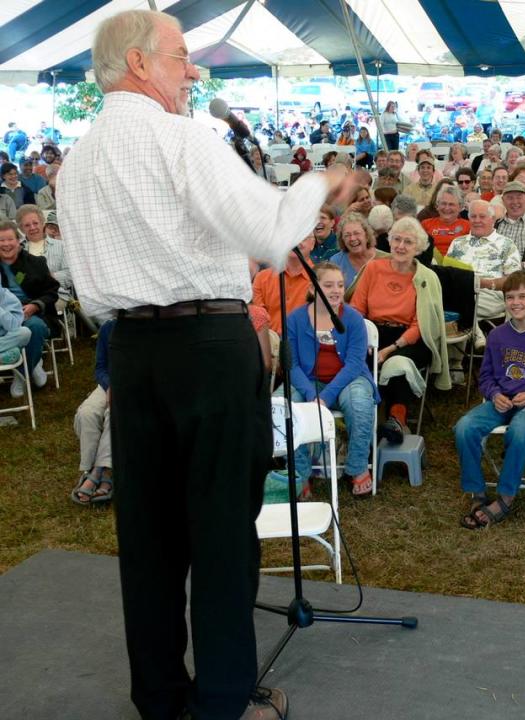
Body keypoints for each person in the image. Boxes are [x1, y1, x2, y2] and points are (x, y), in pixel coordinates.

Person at [56, 10, 355, 719]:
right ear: (137, 63)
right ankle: (224, 703)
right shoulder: (181, 137)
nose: (192, 70)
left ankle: (161, 699)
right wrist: (320, 184)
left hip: (130, 353)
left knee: (149, 538)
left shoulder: (79, 160)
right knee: (222, 533)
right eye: (182, 55)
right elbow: (273, 230)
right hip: (209, 347)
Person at [455, 271, 525, 529]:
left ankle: (506, 496)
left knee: (519, 429)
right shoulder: (497, 336)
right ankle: (477, 493)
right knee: (465, 427)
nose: (516, 302)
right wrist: (495, 394)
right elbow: (484, 377)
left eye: (523, 296)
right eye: (510, 297)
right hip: (501, 400)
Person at [349, 216, 450, 443]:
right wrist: (364, 340)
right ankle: (360, 421)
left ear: (419, 248)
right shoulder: (373, 269)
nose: (401, 246)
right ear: (390, 241)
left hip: (410, 338)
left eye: (408, 242)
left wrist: (389, 350)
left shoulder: (426, 277)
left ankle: (397, 419)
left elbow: (420, 324)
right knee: (357, 361)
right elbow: (356, 309)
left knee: (397, 364)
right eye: (397, 239)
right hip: (373, 332)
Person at [286, 263, 378, 495]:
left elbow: (355, 364)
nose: (336, 290)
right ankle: (300, 471)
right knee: (284, 405)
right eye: (328, 285)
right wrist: (311, 395)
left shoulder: (354, 319)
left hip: (349, 379)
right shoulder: (295, 319)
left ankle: (357, 467)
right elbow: (292, 365)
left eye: (340, 285)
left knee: (359, 404)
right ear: (312, 288)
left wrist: (325, 397)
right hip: (309, 381)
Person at [0, 219, 56, 396]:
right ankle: (34, 360)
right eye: (1, 240)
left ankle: (22, 374)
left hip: (29, 312)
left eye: (10, 239)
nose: (6, 244)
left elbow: (52, 291)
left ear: (19, 241)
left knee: (35, 327)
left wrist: (34, 306)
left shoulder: (35, 262)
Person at [447, 200, 522, 321]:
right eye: (473, 216)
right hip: (457, 291)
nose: (477, 220)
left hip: (488, 294)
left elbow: (514, 281)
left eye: (482, 216)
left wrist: (483, 283)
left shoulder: (506, 244)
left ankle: (471, 335)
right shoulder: (457, 243)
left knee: (453, 304)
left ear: (492, 219)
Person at [71, 319, 115, 505]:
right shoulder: (109, 327)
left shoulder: (150, 328)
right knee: (86, 413)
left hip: (136, 386)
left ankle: (103, 471)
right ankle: (89, 470)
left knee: (114, 414)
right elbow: (100, 368)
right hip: (109, 384)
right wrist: (109, 386)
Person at [329, 212, 386, 289]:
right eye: (347, 235)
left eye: (357, 233)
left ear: (366, 235)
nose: (352, 238)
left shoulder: (384, 259)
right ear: (342, 239)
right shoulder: (336, 262)